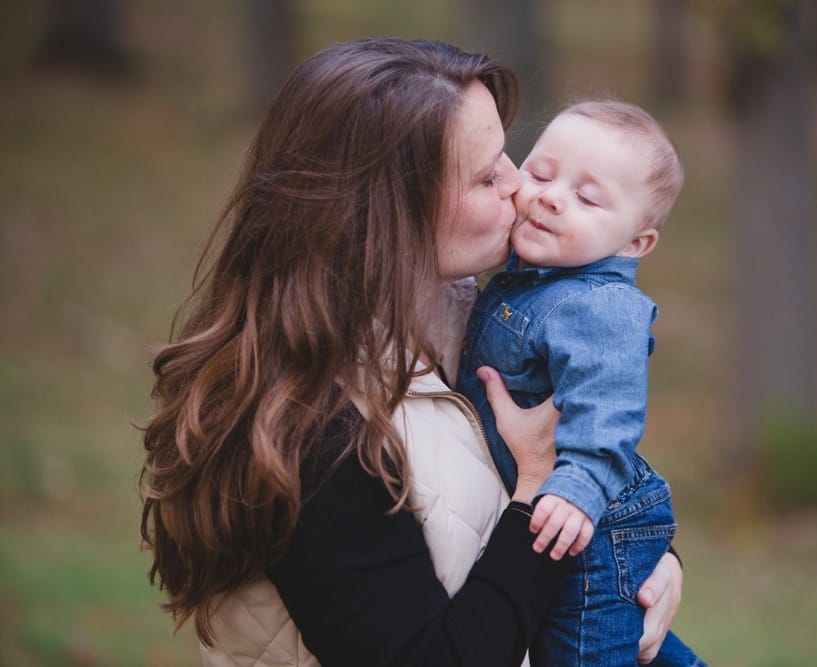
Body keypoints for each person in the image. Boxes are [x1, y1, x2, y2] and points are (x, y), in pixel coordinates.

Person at [139, 38, 684, 667]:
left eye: (510, 152)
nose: (519, 184)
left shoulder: (463, 322)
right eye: (486, 175)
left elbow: (582, 445)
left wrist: (649, 562)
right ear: (389, 213)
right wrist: (537, 487)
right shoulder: (311, 431)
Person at [456, 100, 706, 666]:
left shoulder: (602, 306)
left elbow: (608, 410)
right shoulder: (528, 279)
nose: (549, 196)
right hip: (561, 519)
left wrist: (579, 491)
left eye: (587, 198)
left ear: (634, 244)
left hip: (588, 526)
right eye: (541, 173)